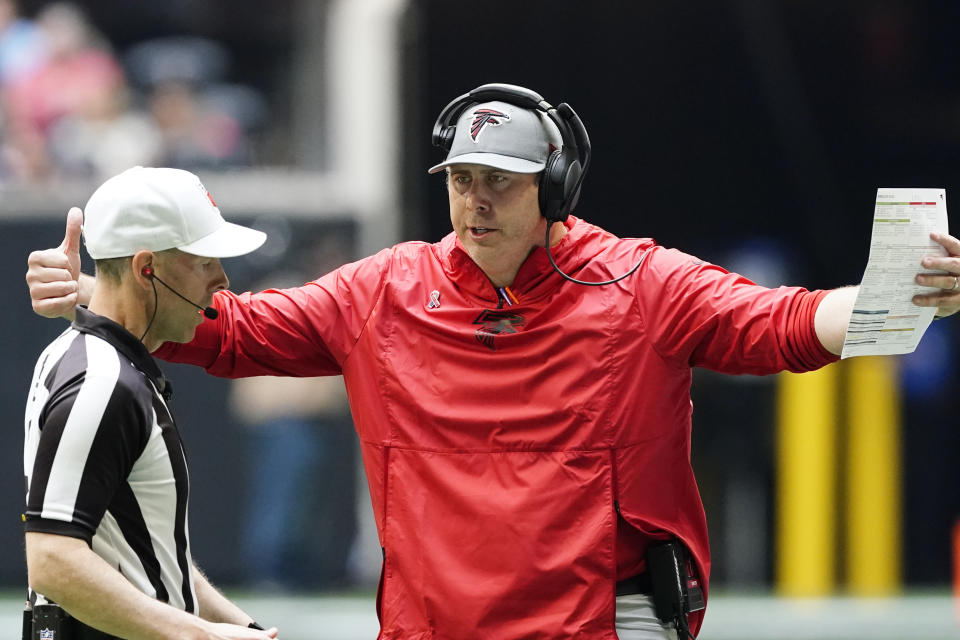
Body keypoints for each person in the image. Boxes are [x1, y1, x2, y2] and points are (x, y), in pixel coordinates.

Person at [25, 85, 960, 639]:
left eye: (500, 185)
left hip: (604, 625)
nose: (474, 204)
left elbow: (787, 325)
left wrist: (893, 298)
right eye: (462, 181)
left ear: (553, 191)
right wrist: (99, 293)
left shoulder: (644, 284)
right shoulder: (382, 290)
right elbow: (226, 329)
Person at [22, 166, 279, 640]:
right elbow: (53, 561)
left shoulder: (103, 365)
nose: (221, 280)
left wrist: (242, 627)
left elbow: (148, 550)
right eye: (204, 262)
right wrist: (204, 636)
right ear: (146, 269)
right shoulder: (102, 380)